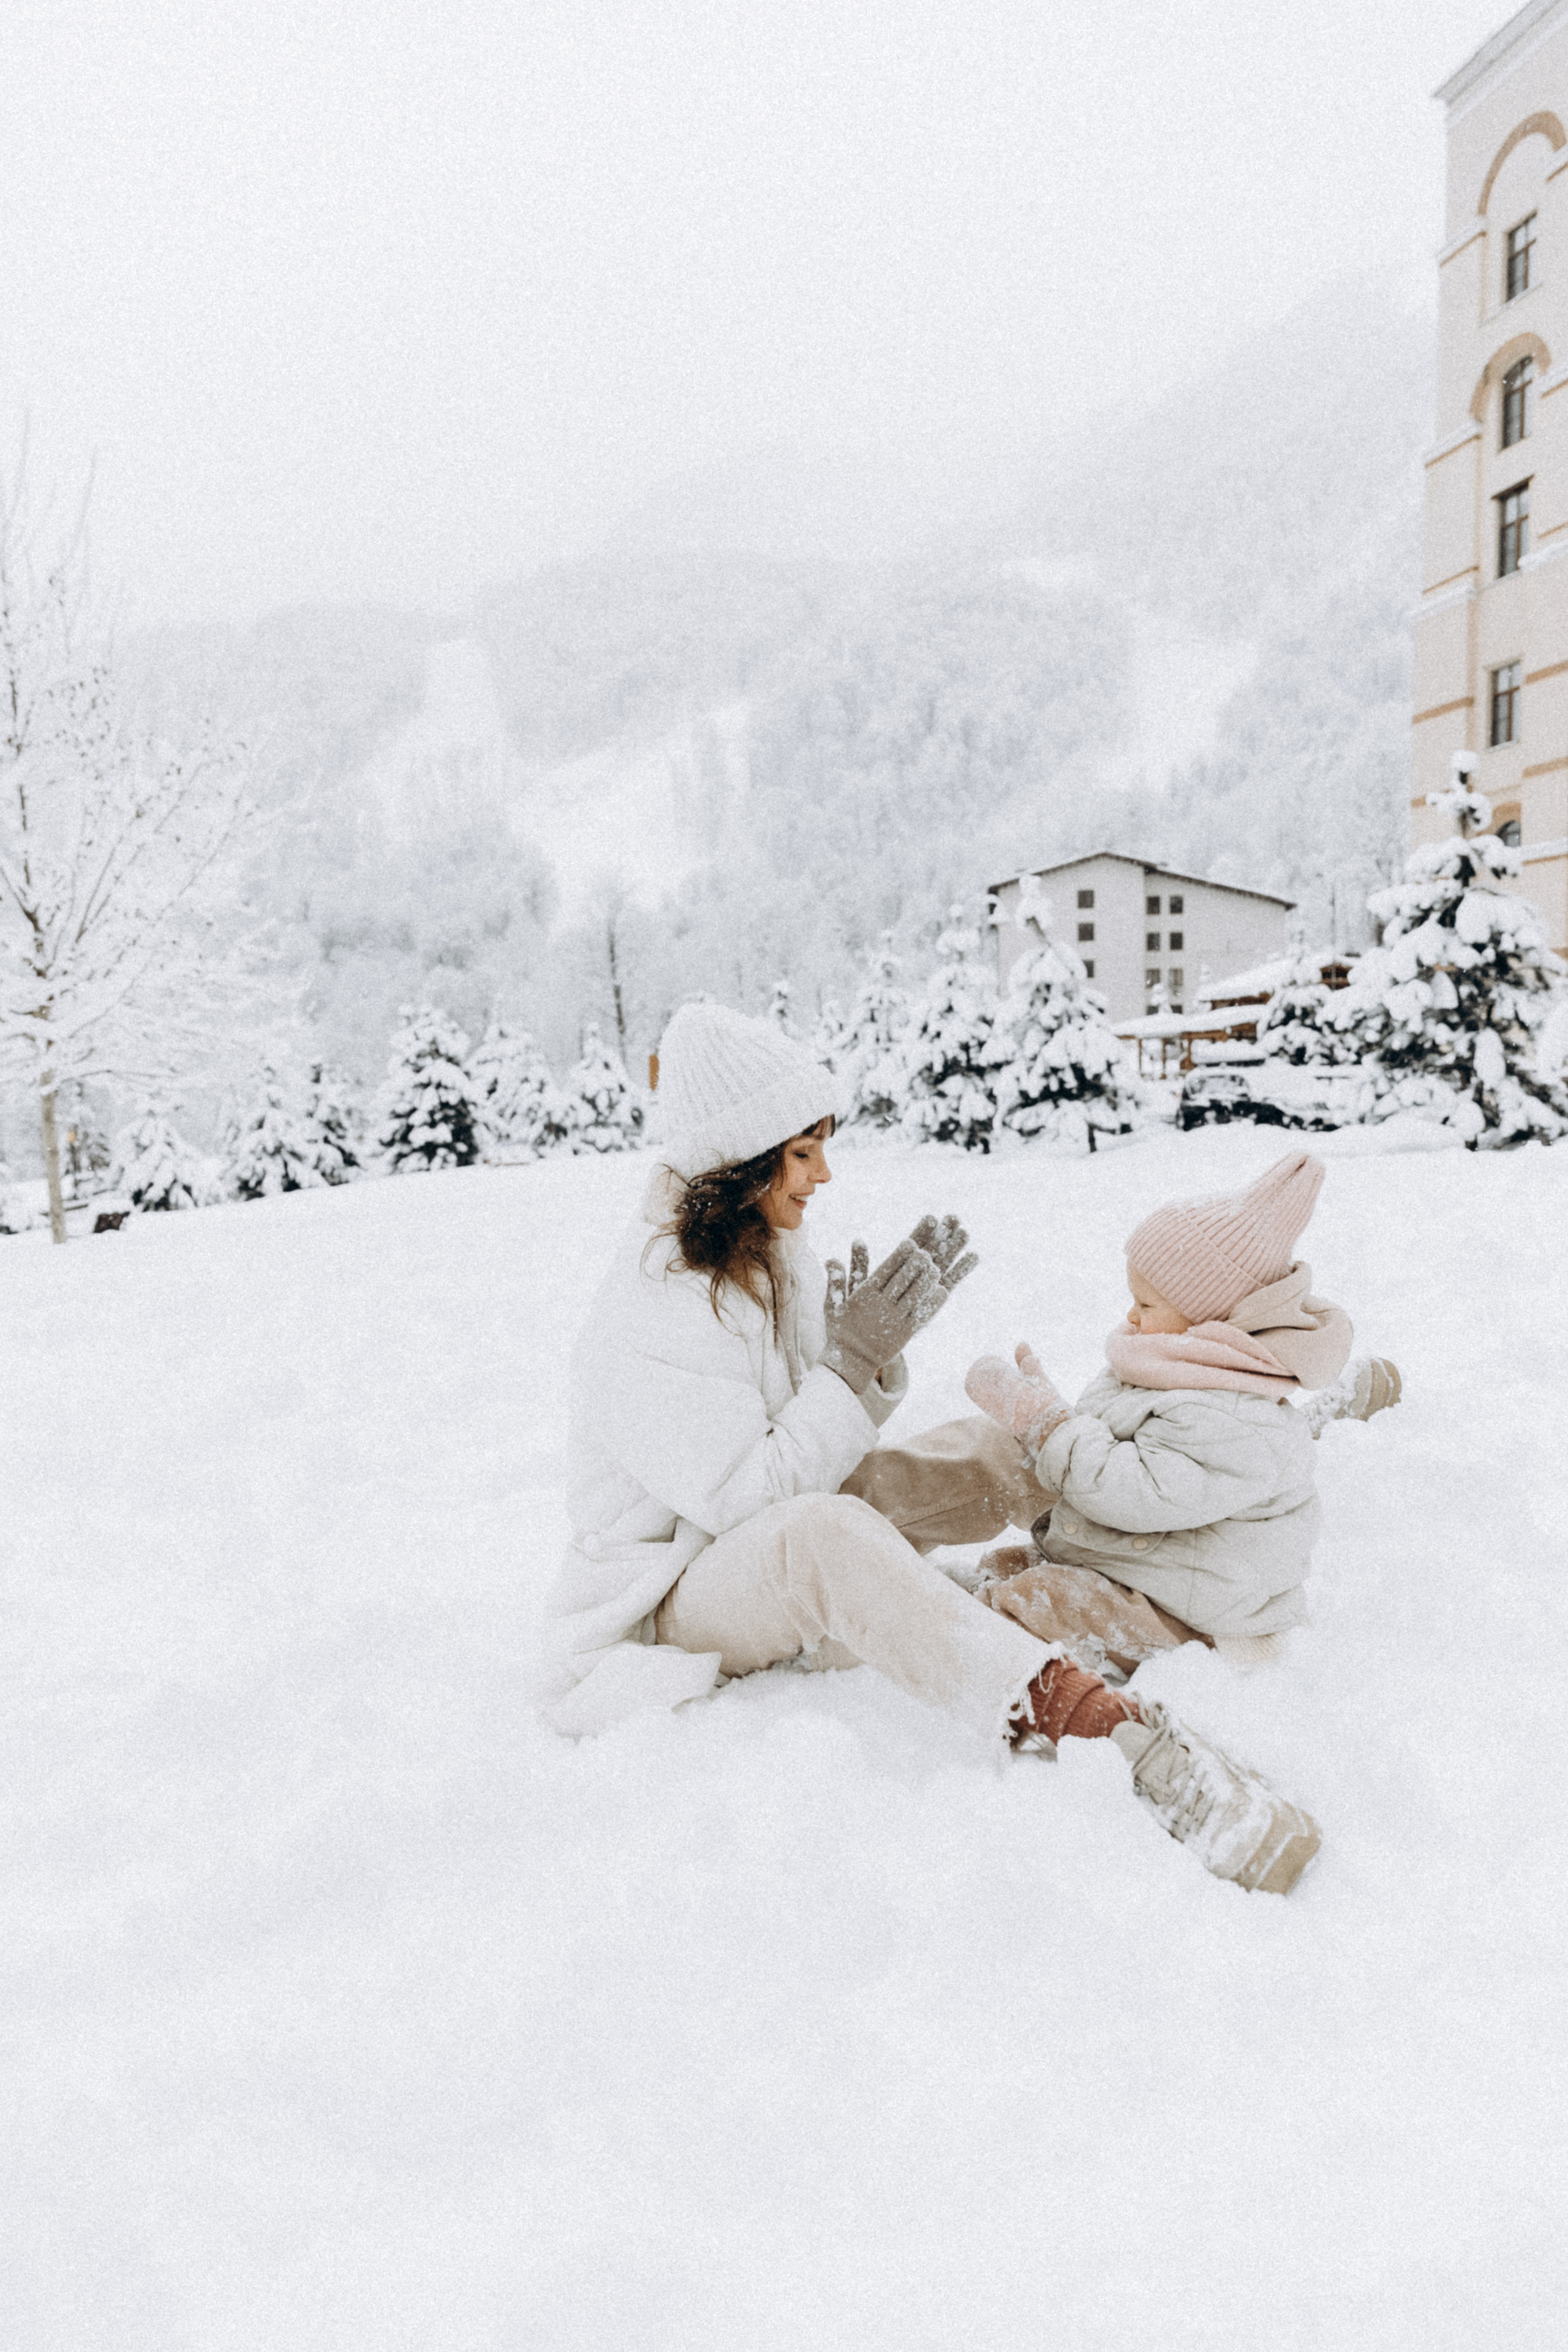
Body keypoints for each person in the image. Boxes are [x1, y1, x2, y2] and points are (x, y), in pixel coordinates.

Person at [545, 1001, 1321, 1894]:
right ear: (740, 1162)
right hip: (668, 1598)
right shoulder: (653, 1308)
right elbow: (752, 1501)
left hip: (756, 1533)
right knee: (826, 1540)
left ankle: (1182, 1531)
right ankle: (1093, 1723)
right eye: (802, 1152)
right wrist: (844, 1370)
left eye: (823, 1146)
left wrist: (856, 1367)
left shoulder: (765, 1250)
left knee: (1009, 1449)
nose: (824, 1174)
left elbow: (805, 1449)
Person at [964, 1148, 1400, 1679]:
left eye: (1146, 1305)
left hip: (1189, 1617)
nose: (1130, 1315)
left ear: (1207, 1317)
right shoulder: (1168, 1367)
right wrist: (1050, 1412)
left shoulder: (1233, 1415)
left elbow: (1135, 1493)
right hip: (1145, 1570)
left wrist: (1050, 1426)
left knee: (1037, 1601)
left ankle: (949, 1645)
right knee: (1004, 1571)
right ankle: (942, 1607)